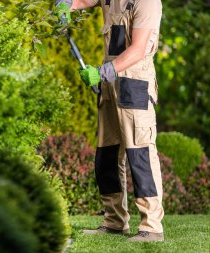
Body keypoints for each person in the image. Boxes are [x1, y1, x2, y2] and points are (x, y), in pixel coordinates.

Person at [54, 0, 164, 242]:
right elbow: (84, 1)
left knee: (140, 153)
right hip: (109, 81)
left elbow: (137, 49)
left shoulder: (147, 2)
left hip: (135, 80)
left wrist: (100, 73)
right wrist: (66, 4)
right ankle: (114, 221)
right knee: (107, 154)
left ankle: (152, 227)